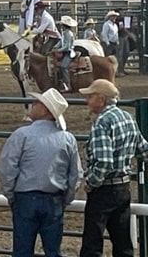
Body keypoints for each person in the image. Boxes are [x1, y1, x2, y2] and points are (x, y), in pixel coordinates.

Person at [0, 88, 82, 257]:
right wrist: (67, 198)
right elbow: (75, 174)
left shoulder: (21, 135)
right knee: (53, 251)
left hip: (25, 198)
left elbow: (7, 168)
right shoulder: (67, 138)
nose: (32, 105)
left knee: (22, 250)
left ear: (44, 110)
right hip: (54, 199)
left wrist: (10, 194)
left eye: (36, 103)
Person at [78, 79, 148, 257]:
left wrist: (91, 183)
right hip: (123, 187)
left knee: (92, 243)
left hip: (104, 189)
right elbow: (143, 149)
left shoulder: (102, 122)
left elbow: (103, 161)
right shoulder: (127, 118)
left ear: (101, 99)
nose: (87, 101)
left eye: (90, 96)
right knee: (123, 242)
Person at [52, 15, 77, 93]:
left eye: (62, 24)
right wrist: (55, 47)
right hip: (64, 51)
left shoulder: (69, 34)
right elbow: (61, 42)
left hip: (68, 52)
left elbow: (67, 46)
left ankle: (68, 85)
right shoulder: (65, 33)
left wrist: (58, 50)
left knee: (63, 66)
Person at [115, 11, 130, 77]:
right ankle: (120, 70)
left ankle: (122, 69)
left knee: (125, 53)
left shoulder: (122, 20)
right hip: (120, 37)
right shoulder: (117, 21)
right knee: (120, 54)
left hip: (124, 36)